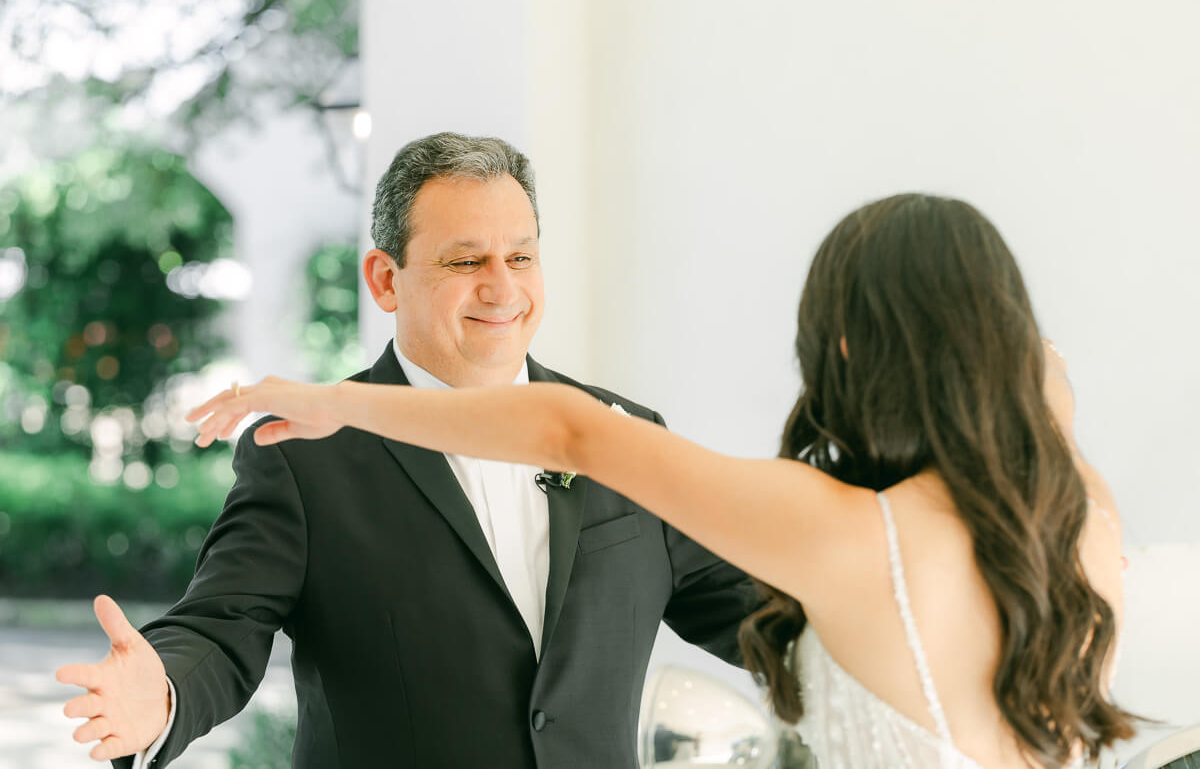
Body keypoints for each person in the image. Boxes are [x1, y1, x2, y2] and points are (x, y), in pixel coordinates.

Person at [185, 193, 1137, 768]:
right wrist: (1042, 396)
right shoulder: (1085, 522)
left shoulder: (844, 531)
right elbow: (1045, 417)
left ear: (848, 344)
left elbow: (566, 428)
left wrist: (347, 404)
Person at [55, 132, 761, 768]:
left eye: (521, 256)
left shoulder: (621, 433)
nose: (504, 287)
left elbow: (751, 615)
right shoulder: (305, 454)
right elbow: (222, 627)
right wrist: (165, 691)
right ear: (385, 280)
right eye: (467, 260)